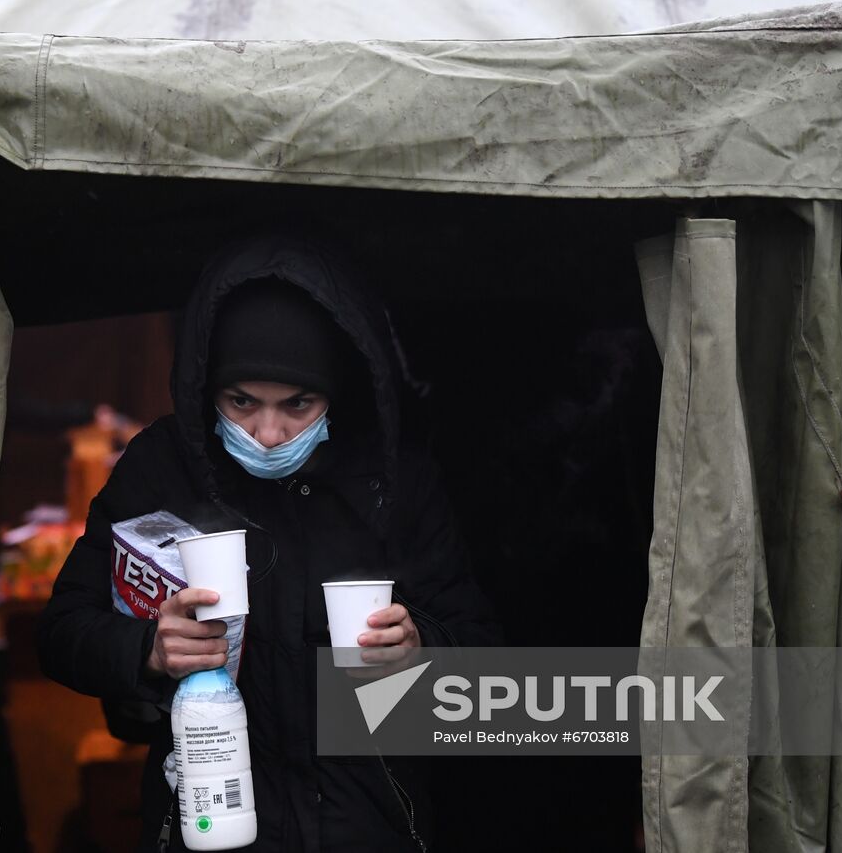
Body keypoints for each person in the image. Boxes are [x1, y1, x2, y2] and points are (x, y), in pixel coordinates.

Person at [38, 231, 497, 852]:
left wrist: (418, 649)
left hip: (366, 828)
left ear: (335, 392)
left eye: (298, 404)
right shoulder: (162, 468)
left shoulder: (392, 476)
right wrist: (147, 648)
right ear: (207, 388)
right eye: (242, 401)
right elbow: (62, 634)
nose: (270, 431)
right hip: (207, 825)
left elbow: (483, 661)